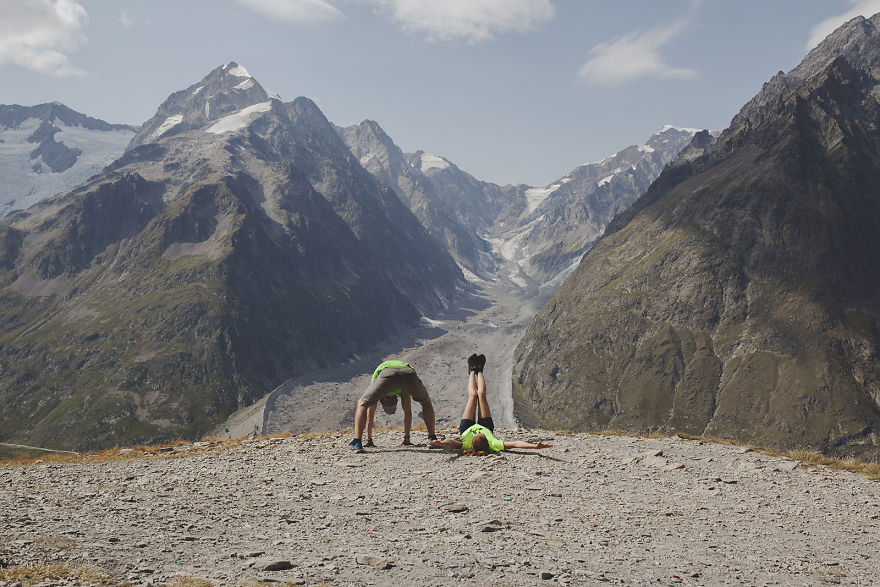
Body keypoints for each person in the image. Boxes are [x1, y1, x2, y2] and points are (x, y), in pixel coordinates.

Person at [428, 354, 552, 454]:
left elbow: (452, 442)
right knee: (481, 395)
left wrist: (441, 443)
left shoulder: (466, 444)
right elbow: (515, 444)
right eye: (480, 434)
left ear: (472, 442)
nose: (477, 431)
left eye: (476, 434)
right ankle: (480, 370)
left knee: (473, 396)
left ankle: (472, 371)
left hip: (466, 428)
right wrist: (534, 446)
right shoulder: (494, 444)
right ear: (487, 440)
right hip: (487, 426)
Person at [349, 359, 437, 451]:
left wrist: (407, 438)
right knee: (426, 402)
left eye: (387, 401)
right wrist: (369, 439)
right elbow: (370, 416)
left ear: (381, 398)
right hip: (408, 373)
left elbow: (407, 412)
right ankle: (432, 438)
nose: (389, 400)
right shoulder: (403, 390)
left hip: (388, 372)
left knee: (362, 403)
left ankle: (357, 441)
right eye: (389, 401)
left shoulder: (381, 388)